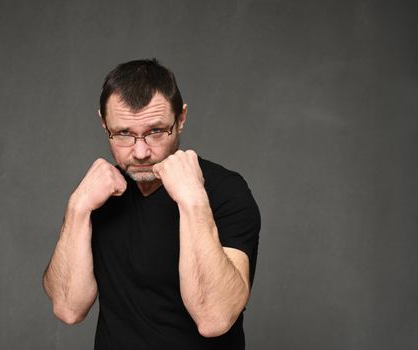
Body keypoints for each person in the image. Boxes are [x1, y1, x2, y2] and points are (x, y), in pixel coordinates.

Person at [43, 58, 261, 349]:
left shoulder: (226, 191)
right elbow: (68, 308)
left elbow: (215, 318)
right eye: (123, 134)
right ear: (104, 124)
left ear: (180, 119)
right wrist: (78, 208)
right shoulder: (99, 195)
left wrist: (193, 200)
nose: (141, 151)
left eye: (156, 131)